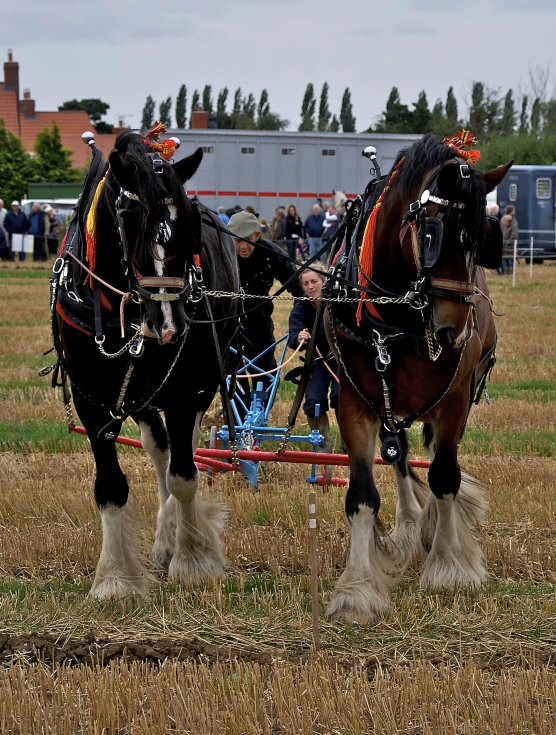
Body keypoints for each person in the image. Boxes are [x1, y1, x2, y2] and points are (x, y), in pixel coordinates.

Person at [227, 210, 303, 413]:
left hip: (259, 324)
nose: (243, 247)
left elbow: (297, 286)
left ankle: (258, 415)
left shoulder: (272, 254)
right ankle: (238, 421)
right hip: (229, 326)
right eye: (238, 241)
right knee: (232, 376)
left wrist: (302, 319)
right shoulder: (223, 254)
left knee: (267, 375)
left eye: (248, 240)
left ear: (257, 236)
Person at [287, 267, 339, 452]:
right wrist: (298, 338)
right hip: (317, 361)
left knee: (340, 397)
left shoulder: (338, 301)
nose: (310, 287)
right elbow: (292, 336)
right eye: (306, 283)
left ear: (324, 282)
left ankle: (351, 443)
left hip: (342, 359)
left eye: (314, 282)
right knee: (313, 401)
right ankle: (323, 446)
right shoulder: (300, 307)